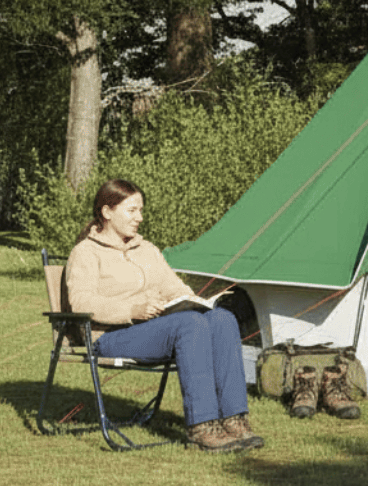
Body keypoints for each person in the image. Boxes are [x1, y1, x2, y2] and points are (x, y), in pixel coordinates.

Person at [64, 179, 263, 453]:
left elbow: (173, 287)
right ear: (107, 212)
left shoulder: (147, 250)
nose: (139, 218)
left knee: (222, 319)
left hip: (152, 330)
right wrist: (131, 310)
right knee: (190, 325)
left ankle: (234, 418)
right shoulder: (86, 253)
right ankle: (202, 426)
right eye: (132, 210)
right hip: (108, 336)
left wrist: (195, 302)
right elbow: (81, 302)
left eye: (141, 210)